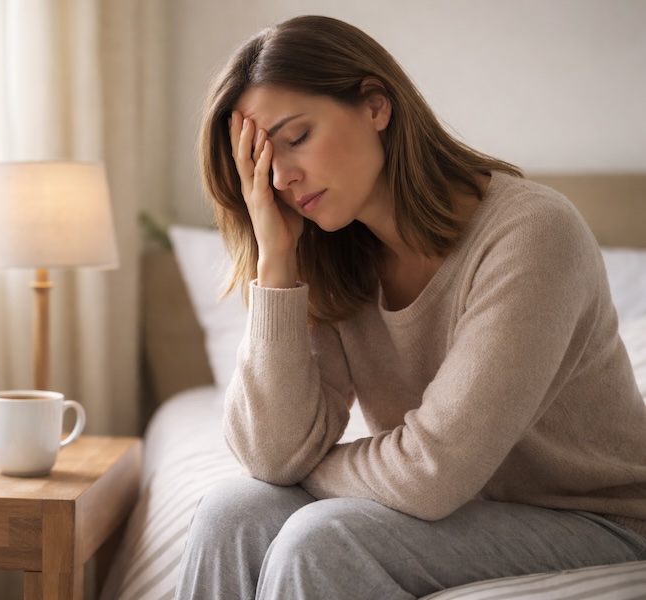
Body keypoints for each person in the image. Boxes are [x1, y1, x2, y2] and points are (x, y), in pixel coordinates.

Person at [174, 14, 646, 600]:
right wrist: (276, 261)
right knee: (230, 510)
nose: (283, 176)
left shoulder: (532, 233)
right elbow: (272, 457)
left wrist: (313, 467)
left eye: (296, 138)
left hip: (597, 520)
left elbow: (430, 474)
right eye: (262, 163)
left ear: (375, 105)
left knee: (323, 542)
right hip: (450, 510)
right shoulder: (331, 253)